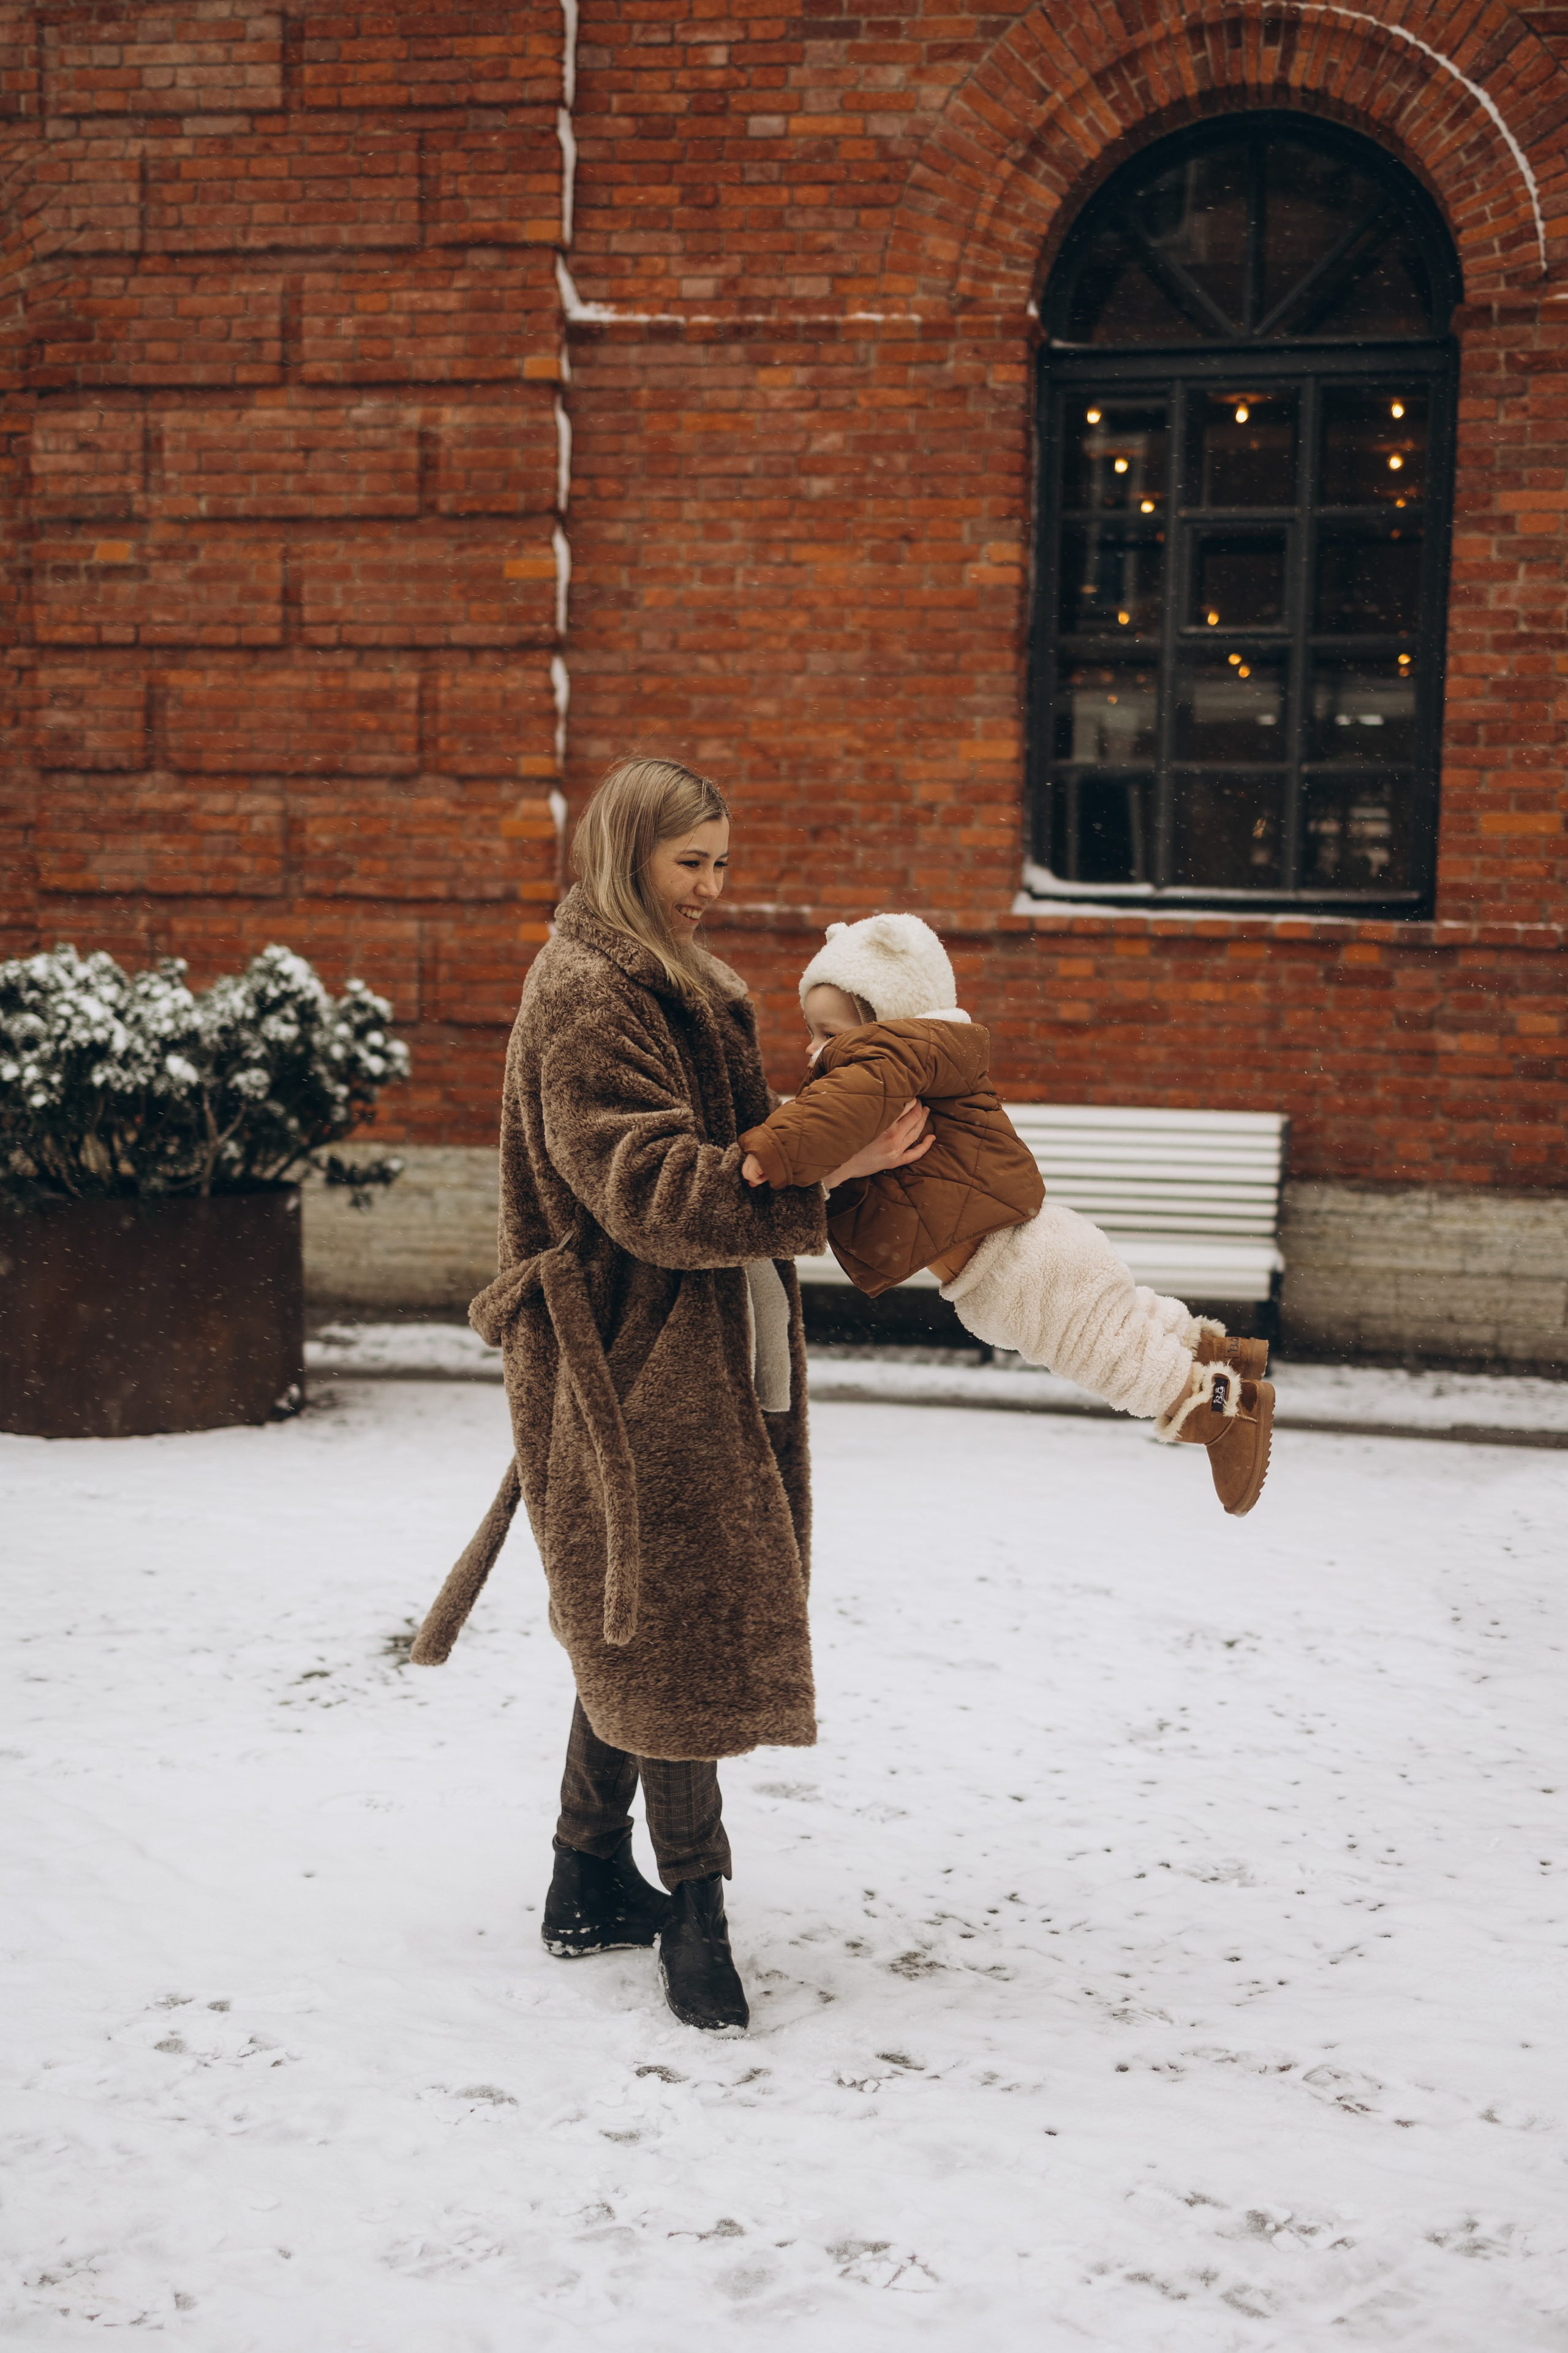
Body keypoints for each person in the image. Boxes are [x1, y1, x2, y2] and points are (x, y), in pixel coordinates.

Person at [409, 760, 932, 2033]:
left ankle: (584, 1875)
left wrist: (846, 1135)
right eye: (688, 862)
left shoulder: (684, 983)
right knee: (666, 1620)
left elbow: (742, 1144)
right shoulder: (588, 991)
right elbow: (648, 1190)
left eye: (722, 862)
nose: (712, 887)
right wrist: (827, 1173)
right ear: (628, 851)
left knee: (631, 1618)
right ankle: (696, 1912)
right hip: (620, 1355)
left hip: (702, 1335)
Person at [737, 911, 1275, 1516]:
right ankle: (1222, 1355)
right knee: (1116, 1320)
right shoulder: (914, 1061)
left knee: (1106, 1354)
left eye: (825, 1031)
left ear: (881, 1015)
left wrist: (771, 1151)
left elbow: (826, 1116)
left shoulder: (884, 1062)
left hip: (1012, 1267)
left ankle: (1218, 1413)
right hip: (1034, 1243)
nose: (813, 1049)